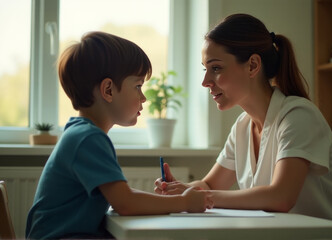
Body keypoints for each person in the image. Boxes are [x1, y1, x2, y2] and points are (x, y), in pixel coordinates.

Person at [155, 13, 332, 225]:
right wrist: (181, 191)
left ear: (253, 65)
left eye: (215, 68)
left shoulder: (299, 116)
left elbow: (280, 198)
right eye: (205, 69)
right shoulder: (242, 127)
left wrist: (202, 198)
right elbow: (209, 185)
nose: (205, 81)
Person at [26, 31, 213, 239]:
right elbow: (126, 203)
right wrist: (184, 202)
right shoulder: (88, 138)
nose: (143, 97)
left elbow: (124, 195)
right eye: (138, 86)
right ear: (108, 90)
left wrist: (166, 200)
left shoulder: (81, 133)